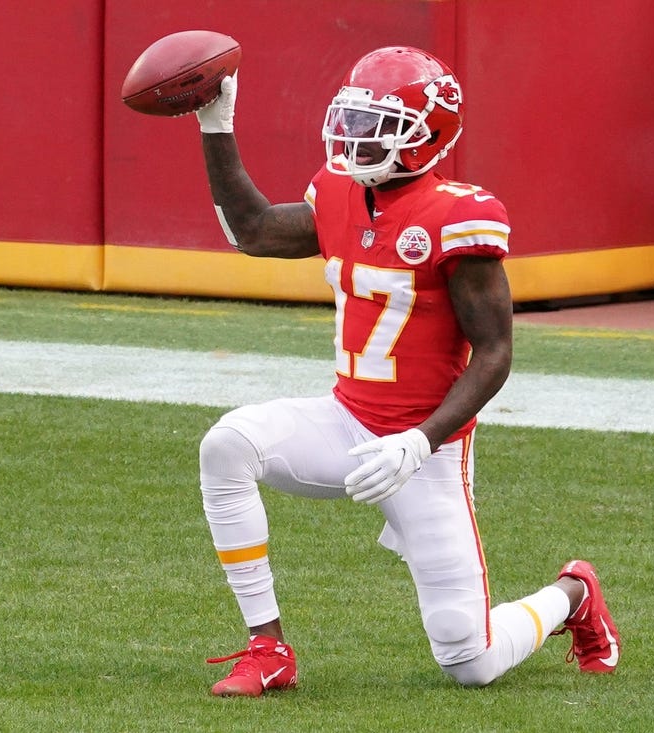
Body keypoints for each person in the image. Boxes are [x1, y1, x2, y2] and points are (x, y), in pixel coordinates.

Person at [192, 46, 620, 697]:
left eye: (381, 126)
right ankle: (268, 648)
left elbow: (496, 353)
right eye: (356, 120)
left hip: (427, 448)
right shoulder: (337, 191)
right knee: (226, 444)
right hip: (344, 421)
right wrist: (215, 125)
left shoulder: (458, 216)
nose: (359, 139)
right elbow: (252, 229)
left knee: (469, 663)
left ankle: (574, 592)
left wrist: (421, 439)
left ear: (431, 137)